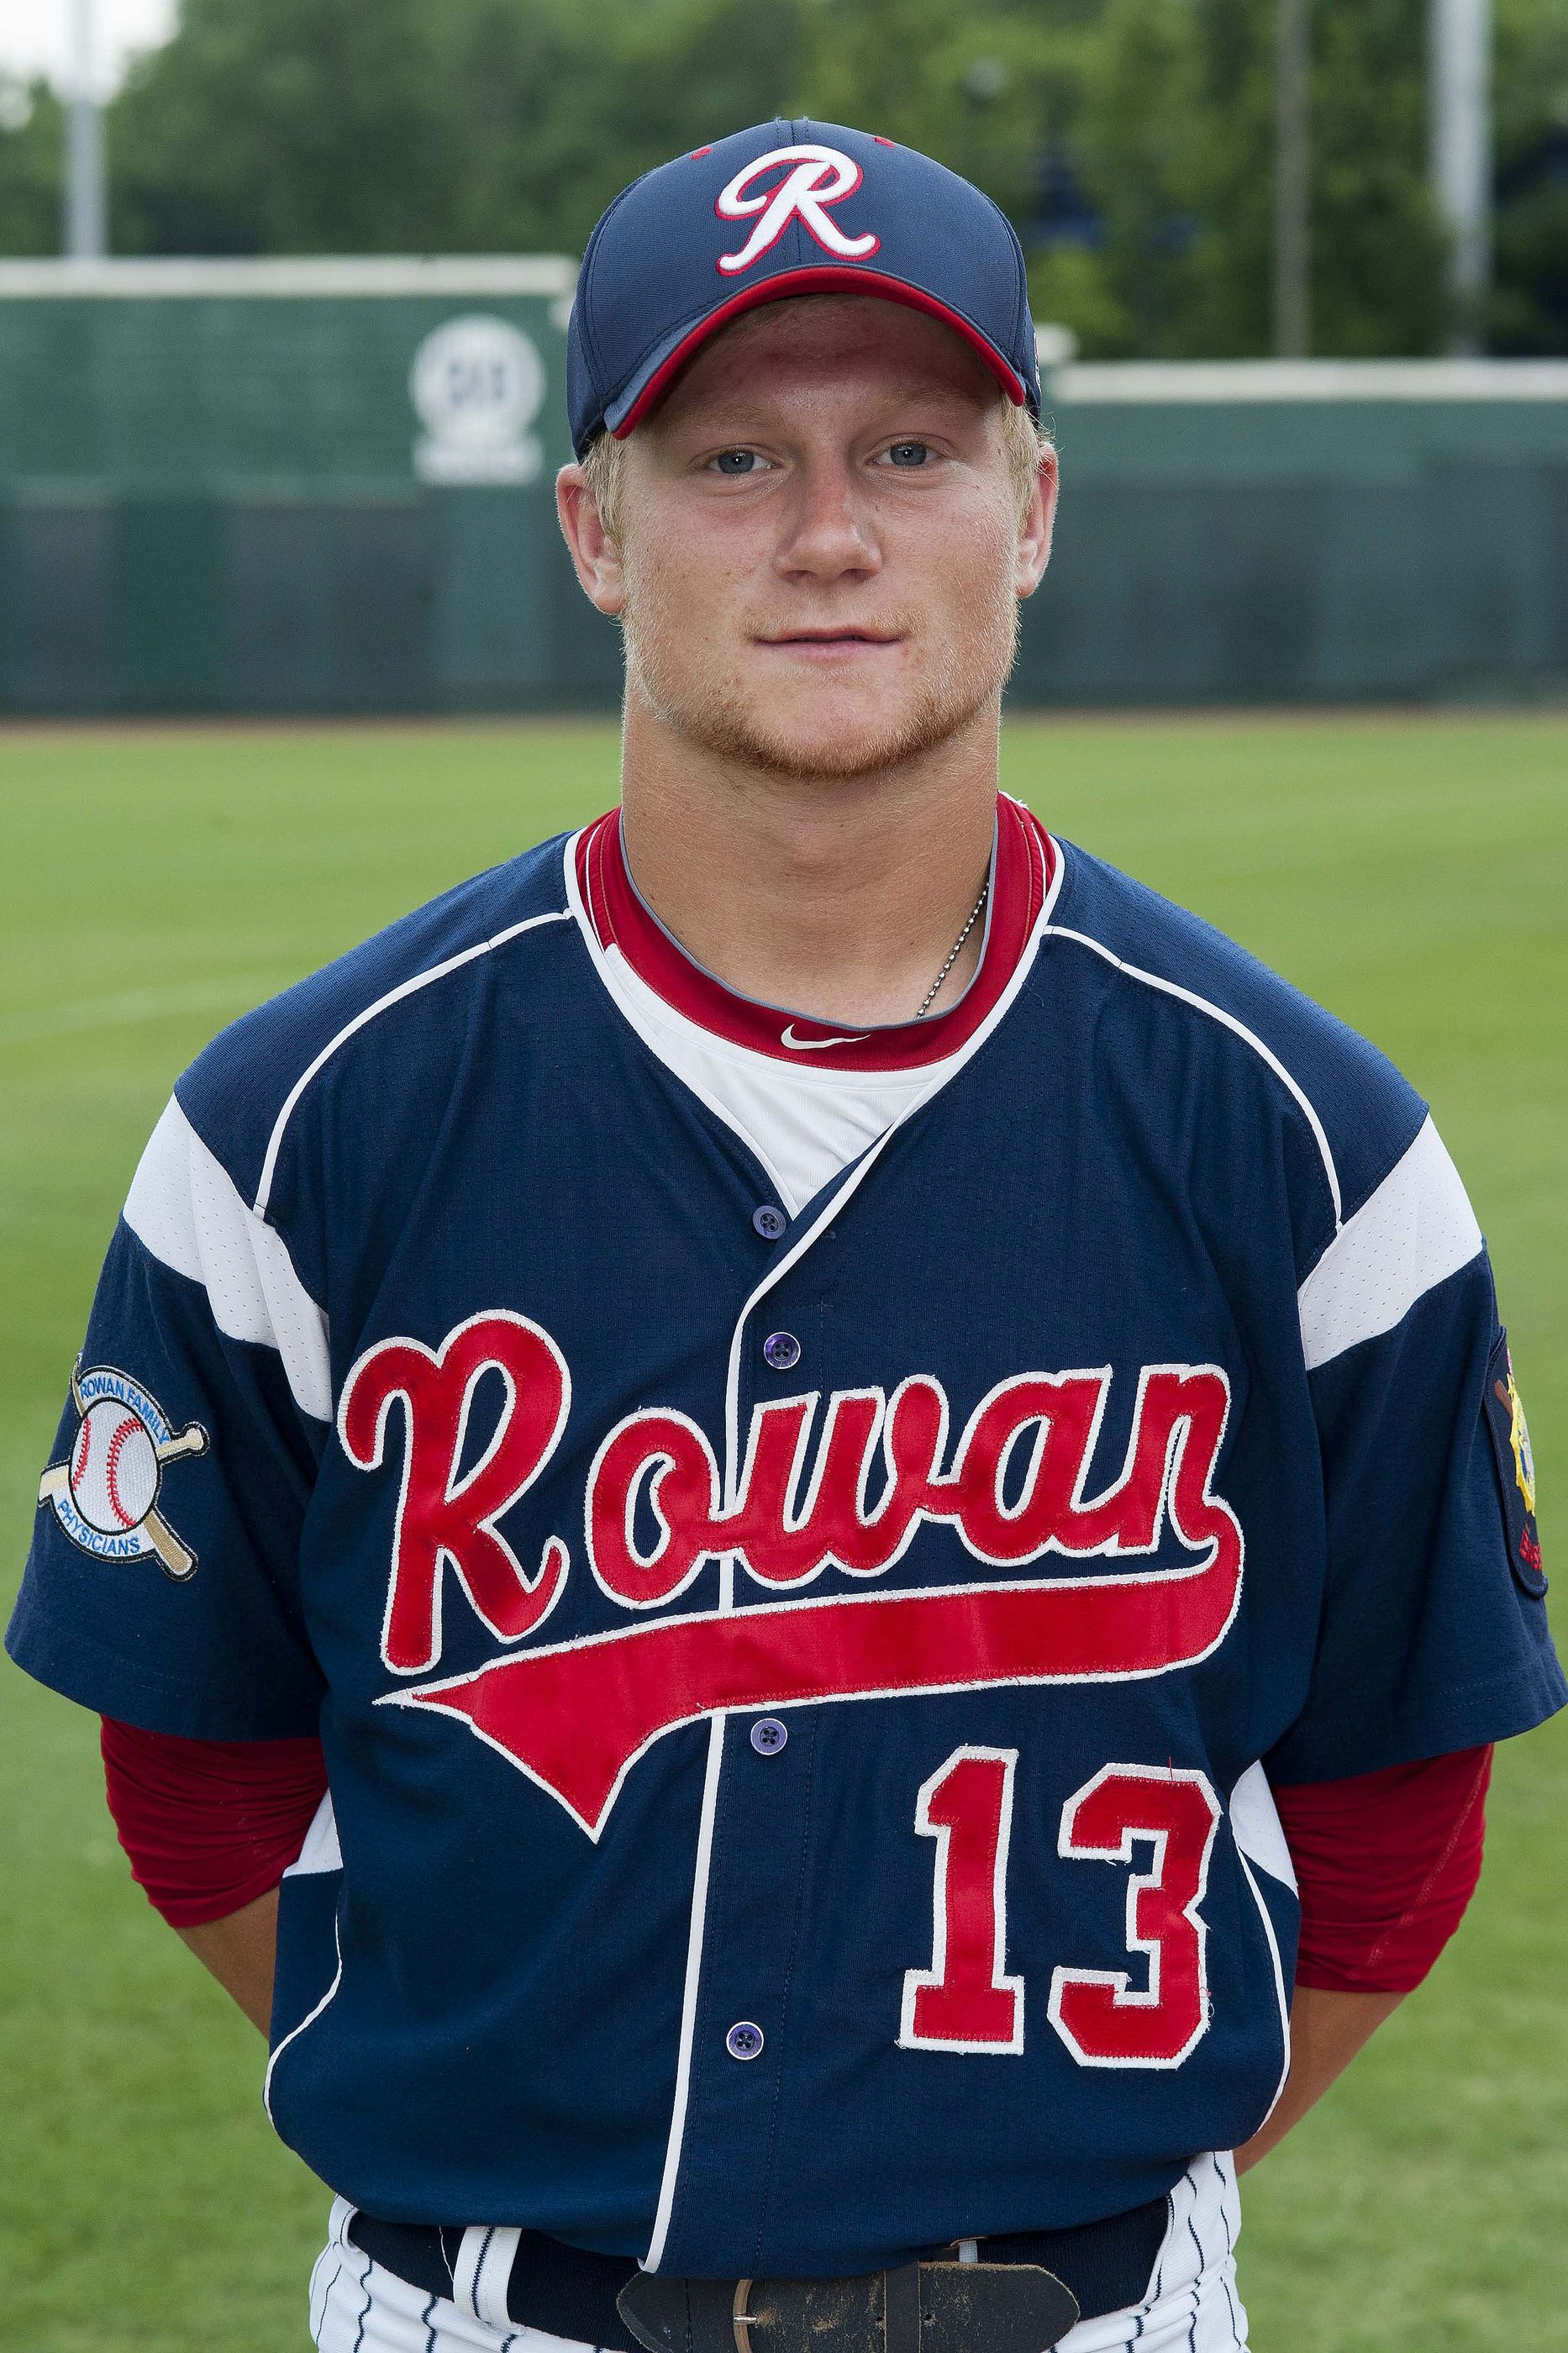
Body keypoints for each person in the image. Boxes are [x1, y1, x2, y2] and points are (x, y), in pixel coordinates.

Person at [8, 120, 1561, 2353]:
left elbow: (1395, 1832)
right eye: (728, 459)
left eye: (910, 447)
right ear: (591, 530)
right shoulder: (300, 1124)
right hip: (479, 2314)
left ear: (1030, 507)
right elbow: (193, 1775)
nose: (827, 534)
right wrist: (505, 2108)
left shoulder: (1305, 1144)